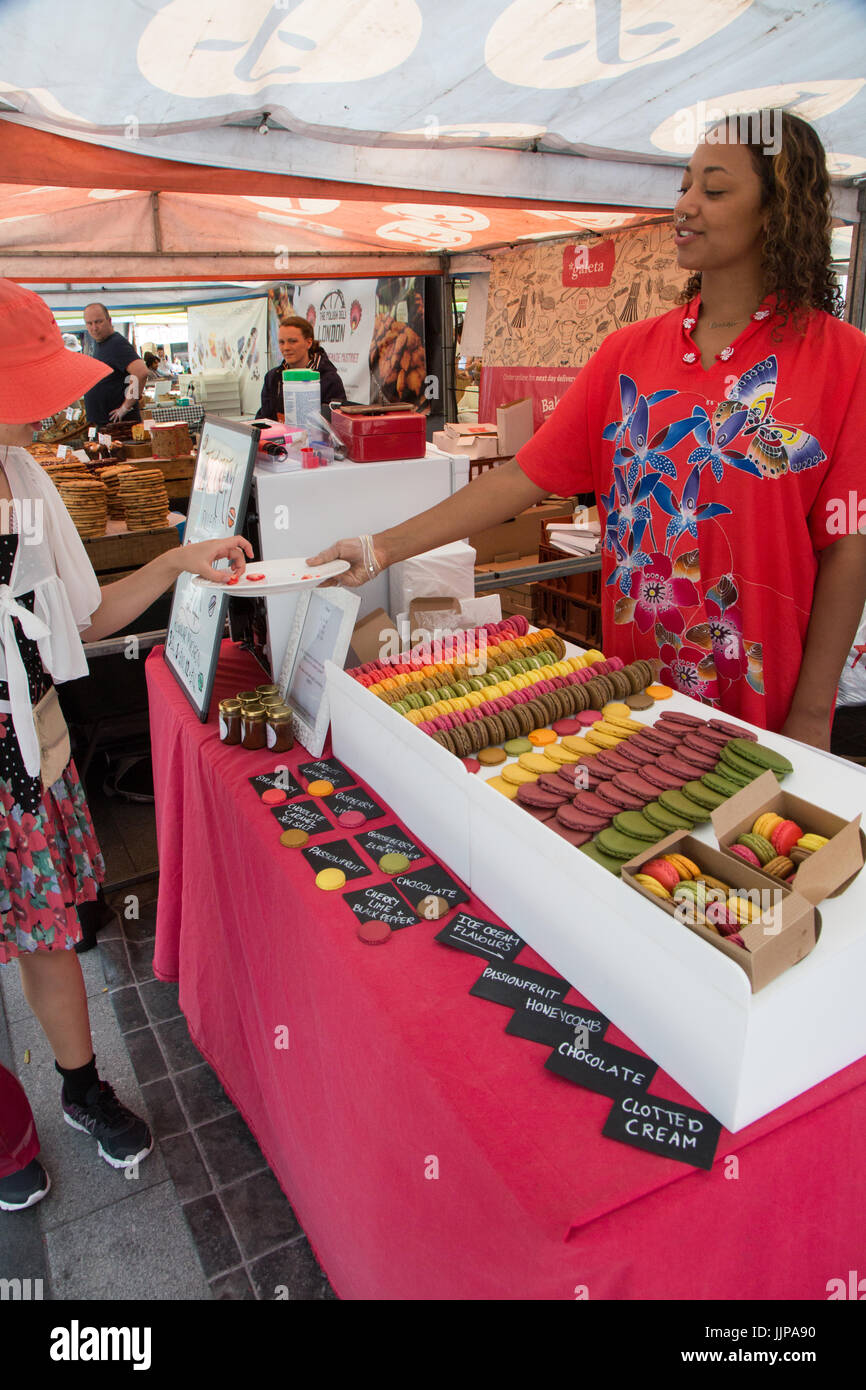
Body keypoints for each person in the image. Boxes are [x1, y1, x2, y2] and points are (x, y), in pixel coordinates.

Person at [309, 111, 866, 751]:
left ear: (777, 210)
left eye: (713, 190)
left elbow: (848, 548)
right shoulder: (629, 354)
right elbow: (520, 477)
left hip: (768, 704)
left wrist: (810, 714)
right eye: (684, 185)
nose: (685, 205)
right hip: (639, 694)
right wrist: (380, 548)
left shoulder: (842, 361)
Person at [0, 280, 252, 1211]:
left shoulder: (26, 480)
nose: (47, 408)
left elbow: (84, 616)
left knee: (49, 934)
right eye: (26, 387)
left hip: (32, 750)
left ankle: (80, 1088)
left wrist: (178, 560)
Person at [257, 316, 346, 423]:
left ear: (309, 343)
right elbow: (264, 419)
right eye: (281, 342)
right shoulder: (272, 377)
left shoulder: (329, 379)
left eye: (292, 341)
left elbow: (338, 424)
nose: (286, 348)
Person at [81, 303, 149, 426]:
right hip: (105, 425)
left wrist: (125, 407)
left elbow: (141, 373)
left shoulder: (116, 344)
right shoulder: (99, 343)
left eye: (98, 322)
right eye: (89, 323)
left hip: (118, 427)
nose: (94, 328)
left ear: (109, 320)